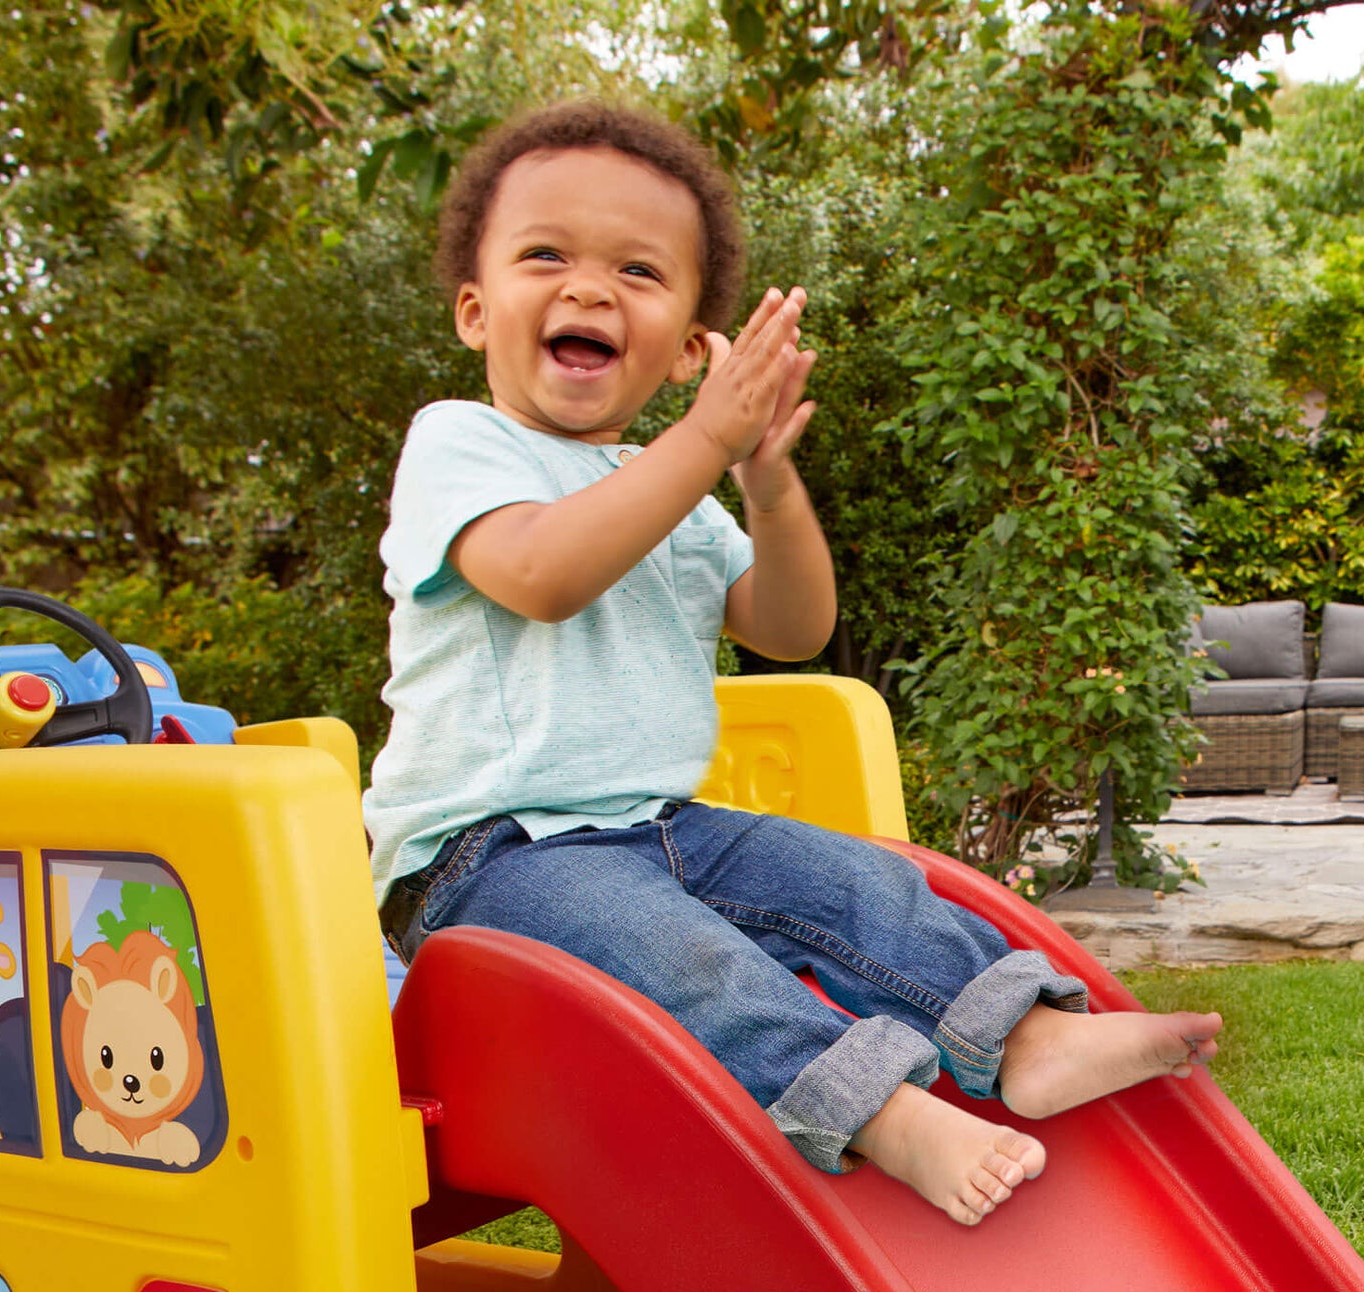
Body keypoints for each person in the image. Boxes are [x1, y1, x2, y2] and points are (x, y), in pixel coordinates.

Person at [364, 100, 1221, 1226]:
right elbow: (542, 573)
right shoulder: (459, 443)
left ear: (688, 351)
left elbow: (791, 623)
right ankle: (879, 1111)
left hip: (659, 829)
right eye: (546, 256)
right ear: (475, 311)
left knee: (857, 881)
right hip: (487, 860)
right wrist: (703, 442)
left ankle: (1025, 1036)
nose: (590, 290)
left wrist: (765, 484)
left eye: (636, 270)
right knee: (683, 957)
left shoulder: (676, 491)